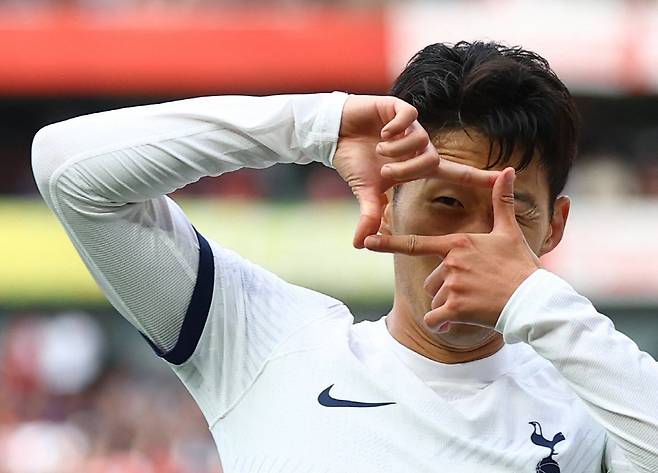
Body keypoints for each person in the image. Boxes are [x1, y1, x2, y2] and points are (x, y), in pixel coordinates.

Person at [31, 41, 657, 472]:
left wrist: (536, 301)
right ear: (385, 202)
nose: (475, 239)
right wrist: (314, 125)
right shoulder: (265, 346)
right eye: (446, 201)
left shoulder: (591, 401)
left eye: (513, 211)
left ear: (555, 228)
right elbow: (70, 172)